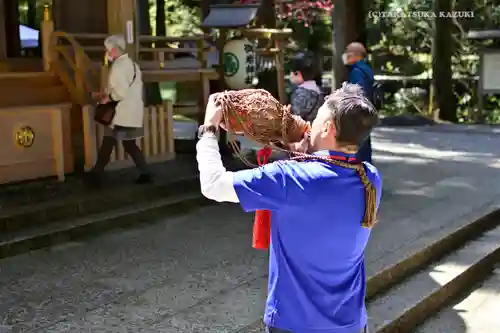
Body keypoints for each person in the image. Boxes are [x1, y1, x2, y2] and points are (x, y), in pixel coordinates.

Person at [196, 83, 382, 333]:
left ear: (328, 127)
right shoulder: (370, 178)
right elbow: (326, 167)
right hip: (351, 324)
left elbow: (213, 185)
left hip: (295, 324)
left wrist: (208, 129)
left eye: (316, 119)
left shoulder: (290, 178)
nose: (310, 124)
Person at [87, 34, 151, 186]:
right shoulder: (133, 64)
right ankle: (144, 172)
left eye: (108, 50)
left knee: (110, 142)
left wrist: (106, 98)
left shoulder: (118, 67)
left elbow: (120, 93)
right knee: (125, 143)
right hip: (131, 111)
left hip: (120, 113)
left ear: (114, 50)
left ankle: (96, 175)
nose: (107, 53)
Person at [343, 42, 374, 164]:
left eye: (347, 52)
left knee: (356, 145)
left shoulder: (357, 71)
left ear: (353, 55)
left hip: (358, 113)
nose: (345, 55)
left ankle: (358, 174)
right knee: (365, 143)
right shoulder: (367, 69)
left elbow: (358, 93)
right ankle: (367, 172)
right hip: (368, 110)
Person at [289, 52, 323, 123]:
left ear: (297, 73)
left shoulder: (302, 93)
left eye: (291, 72)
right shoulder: (317, 90)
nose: (290, 75)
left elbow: (296, 116)